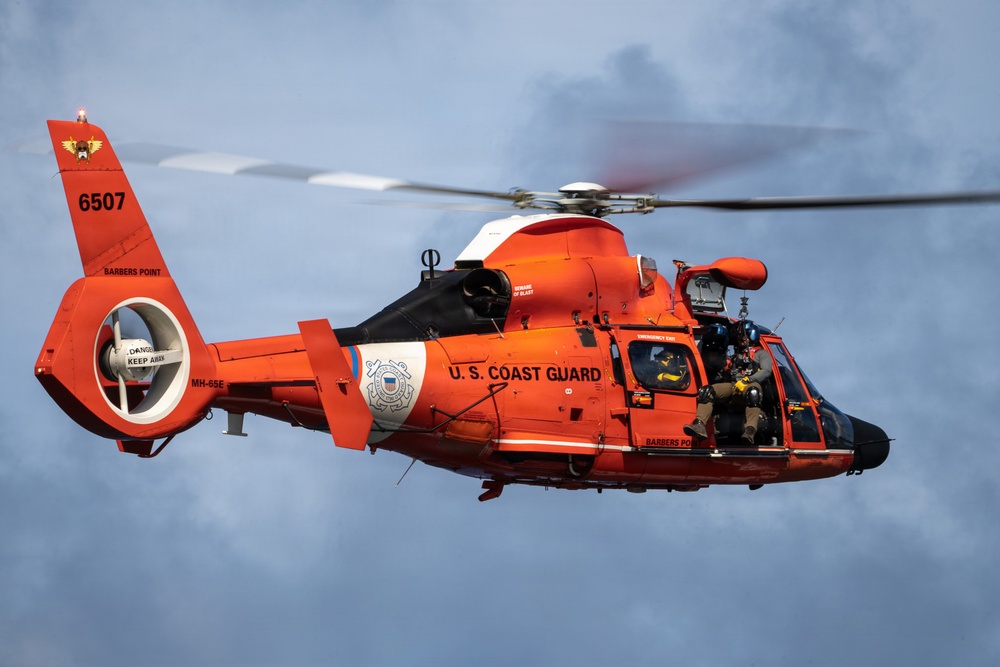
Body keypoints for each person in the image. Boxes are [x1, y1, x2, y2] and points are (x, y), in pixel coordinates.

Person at [684, 320, 773, 445]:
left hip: (750, 385)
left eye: (743, 335)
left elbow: (766, 371)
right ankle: (699, 425)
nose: (741, 338)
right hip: (733, 386)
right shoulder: (735, 356)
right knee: (708, 391)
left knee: (753, 393)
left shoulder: (761, 354)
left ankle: (750, 430)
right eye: (739, 335)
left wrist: (749, 380)